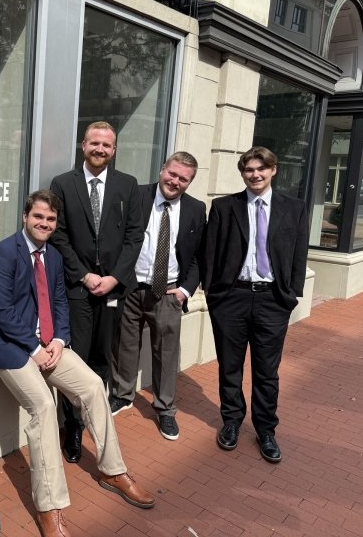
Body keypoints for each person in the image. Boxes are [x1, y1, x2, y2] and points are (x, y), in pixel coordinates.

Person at [0, 190, 154, 537]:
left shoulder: (53, 256)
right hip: (10, 347)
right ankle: (49, 507)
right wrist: (33, 347)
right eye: (38, 216)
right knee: (42, 405)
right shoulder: (2, 254)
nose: (44, 223)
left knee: (93, 386)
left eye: (51, 219)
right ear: (25, 217)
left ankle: (113, 470)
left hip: (48, 343)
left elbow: (58, 301)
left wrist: (57, 341)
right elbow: (0, 310)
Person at [202, 146, 308, 464]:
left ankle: (265, 430)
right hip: (231, 298)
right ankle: (232, 422)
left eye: (261, 168)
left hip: (273, 299)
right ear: (243, 173)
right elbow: (211, 253)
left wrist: (290, 296)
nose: (255, 174)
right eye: (249, 170)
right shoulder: (224, 206)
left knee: (266, 371)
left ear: (273, 170)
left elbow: (299, 254)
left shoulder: (294, 208)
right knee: (230, 367)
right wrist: (213, 296)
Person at [49, 121, 143, 463]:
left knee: (103, 357)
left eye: (106, 145)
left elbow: (135, 237)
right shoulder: (63, 184)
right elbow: (58, 236)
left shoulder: (128, 186)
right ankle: (71, 425)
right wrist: (85, 276)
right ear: (83, 145)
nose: (100, 149)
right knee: (75, 359)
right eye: (94, 143)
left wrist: (116, 278)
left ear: (114, 150)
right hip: (78, 288)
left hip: (113, 290)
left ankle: (93, 417)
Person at [109, 152, 207, 441]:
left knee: (166, 352)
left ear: (189, 182)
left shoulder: (196, 209)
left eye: (183, 179)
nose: (174, 181)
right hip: (131, 287)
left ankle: (165, 409)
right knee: (124, 346)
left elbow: (199, 256)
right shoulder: (136, 195)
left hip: (168, 292)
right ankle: (122, 395)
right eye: (172, 174)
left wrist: (186, 291)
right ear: (162, 169)